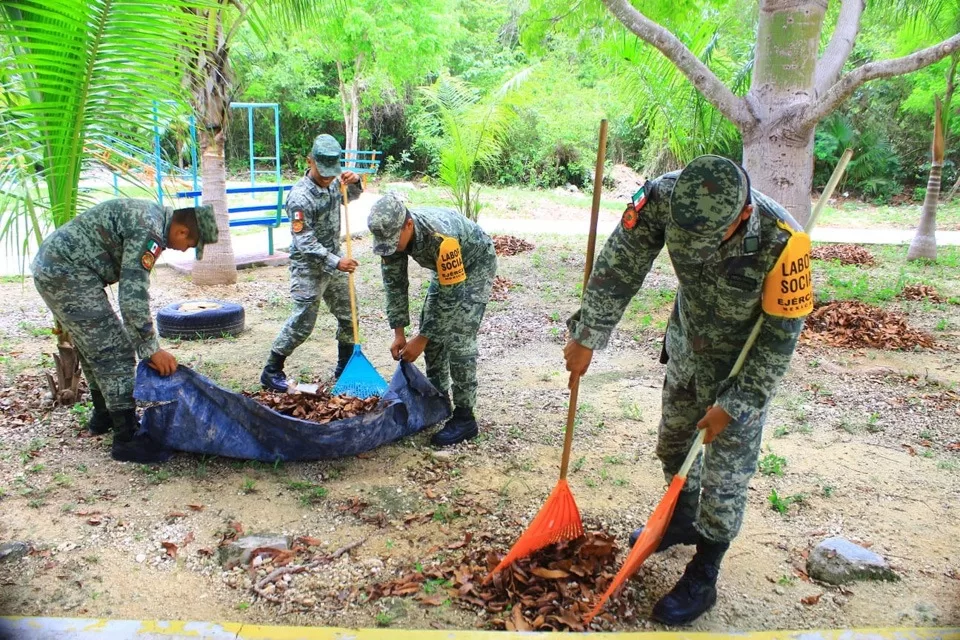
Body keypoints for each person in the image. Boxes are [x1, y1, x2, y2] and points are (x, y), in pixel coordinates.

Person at [563, 155, 812, 625]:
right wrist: (588, 334)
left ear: (742, 214)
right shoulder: (663, 197)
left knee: (725, 476)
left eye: (709, 239)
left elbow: (781, 340)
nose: (696, 247)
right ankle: (680, 517)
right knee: (673, 443)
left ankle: (706, 569)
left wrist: (734, 405)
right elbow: (621, 263)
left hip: (743, 364)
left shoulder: (785, 241)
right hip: (687, 346)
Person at [32, 199, 218, 463]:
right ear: (182, 231)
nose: (185, 250)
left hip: (59, 268)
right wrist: (151, 349)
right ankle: (126, 438)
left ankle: (104, 416)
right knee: (115, 349)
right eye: (190, 245)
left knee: (95, 344)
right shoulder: (149, 232)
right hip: (66, 272)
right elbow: (132, 296)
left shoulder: (153, 218)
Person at [367, 192, 497, 446]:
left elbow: (451, 299)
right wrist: (399, 333)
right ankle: (438, 400)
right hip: (445, 271)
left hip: (475, 265)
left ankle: (465, 418)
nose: (391, 246)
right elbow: (394, 285)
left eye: (394, 240)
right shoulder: (391, 237)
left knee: (459, 337)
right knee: (433, 335)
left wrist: (422, 338)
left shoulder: (442, 238)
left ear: (408, 224)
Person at [260, 134, 363, 392]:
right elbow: (304, 241)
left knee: (349, 314)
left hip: (335, 260)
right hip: (310, 266)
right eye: (323, 170)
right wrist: (336, 262)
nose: (328, 176)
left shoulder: (333, 183)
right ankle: (272, 370)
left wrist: (356, 181)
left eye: (333, 171)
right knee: (303, 321)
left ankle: (344, 368)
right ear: (310, 161)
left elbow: (351, 196)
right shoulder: (300, 197)